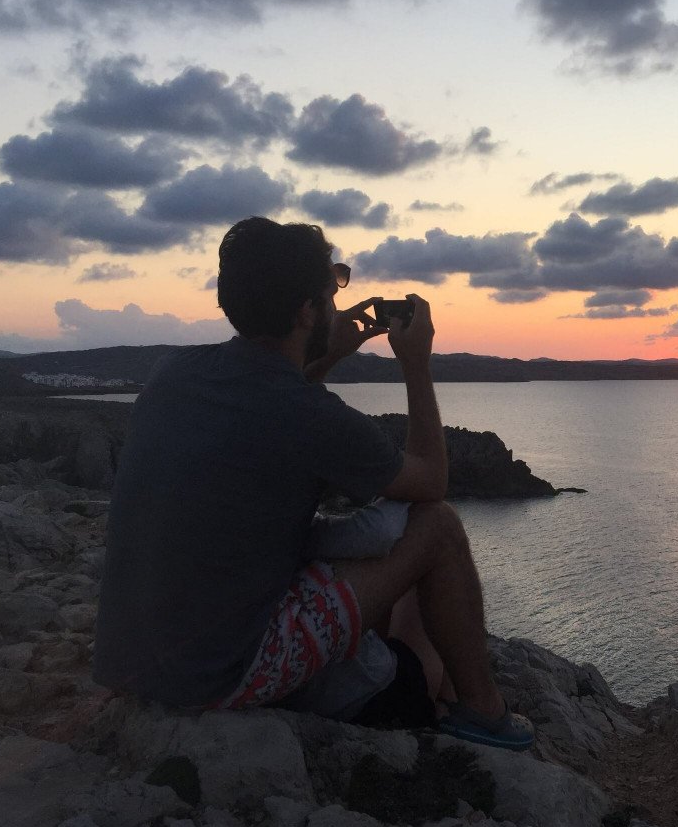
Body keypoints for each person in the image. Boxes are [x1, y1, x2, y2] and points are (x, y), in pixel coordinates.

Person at [92, 216, 533, 750]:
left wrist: (328, 352)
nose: (339, 295)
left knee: (380, 538)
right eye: (334, 285)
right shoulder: (309, 414)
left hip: (131, 659)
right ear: (306, 311)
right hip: (214, 674)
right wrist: (417, 364)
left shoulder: (172, 374)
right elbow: (431, 481)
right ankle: (484, 710)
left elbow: (269, 406)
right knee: (434, 527)